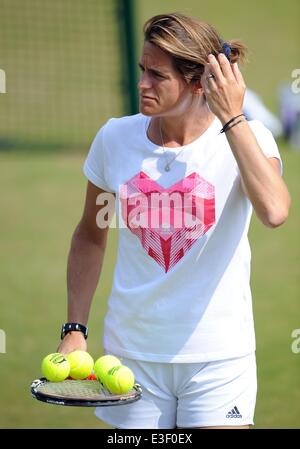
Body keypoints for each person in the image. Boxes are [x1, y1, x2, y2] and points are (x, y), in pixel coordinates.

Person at [57, 13, 291, 429]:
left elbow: (274, 211)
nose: (142, 83)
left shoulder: (249, 139)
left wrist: (232, 118)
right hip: (131, 358)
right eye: (142, 70)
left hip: (219, 360)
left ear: (198, 82)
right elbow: (91, 235)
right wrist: (75, 327)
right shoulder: (115, 139)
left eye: (157, 75)